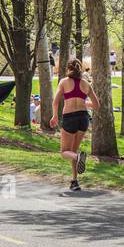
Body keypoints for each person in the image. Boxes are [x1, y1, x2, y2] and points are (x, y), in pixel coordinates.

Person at [51, 58, 96, 191]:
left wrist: (54, 116)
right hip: (83, 118)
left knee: (65, 152)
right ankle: (74, 181)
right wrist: (84, 103)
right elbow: (96, 105)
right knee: (73, 150)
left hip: (70, 117)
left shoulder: (64, 82)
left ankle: (78, 157)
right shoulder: (86, 84)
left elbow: (56, 102)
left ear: (68, 68)